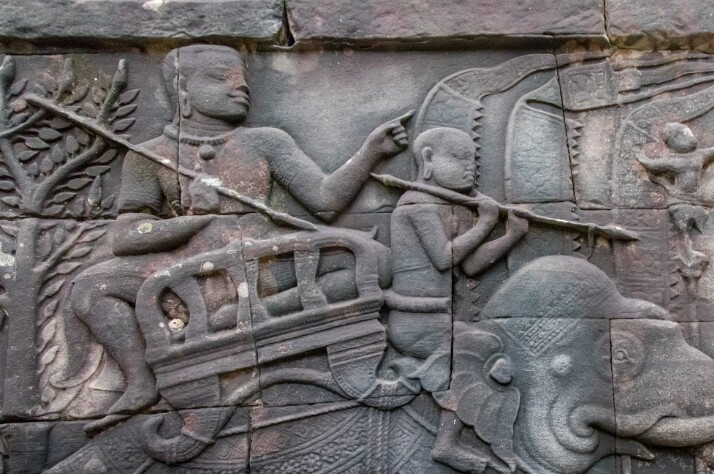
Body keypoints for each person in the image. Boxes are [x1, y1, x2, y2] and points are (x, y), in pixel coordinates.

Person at [59, 44, 410, 416]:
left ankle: (248, 313)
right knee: (89, 287)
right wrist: (195, 218)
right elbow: (126, 235)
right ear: (182, 89)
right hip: (193, 272)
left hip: (266, 263)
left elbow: (325, 202)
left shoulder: (265, 141)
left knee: (376, 260)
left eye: (241, 78)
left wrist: (372, 151)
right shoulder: (149, 155)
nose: (239, 86)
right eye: (219, 78)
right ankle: (141, 380)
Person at [386, 127, 528, 392]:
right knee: (486, 352)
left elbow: (471, 265)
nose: (470, 168)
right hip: (414, 321)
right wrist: (486, 222)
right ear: (428, 159)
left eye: (472, 160)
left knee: (495, 344)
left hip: (439, 319)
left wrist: (511, 235)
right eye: (458, 158)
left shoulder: (454, 206)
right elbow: (444, 257)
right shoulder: (415, 204)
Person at [637, 121, 714, 205]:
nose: (691, 137)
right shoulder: (672, 161)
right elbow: (652, 165)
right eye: (685, 134)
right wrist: (641, 158)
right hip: (682, 197)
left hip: (700, 194)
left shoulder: (699, 154)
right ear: (675, 139)